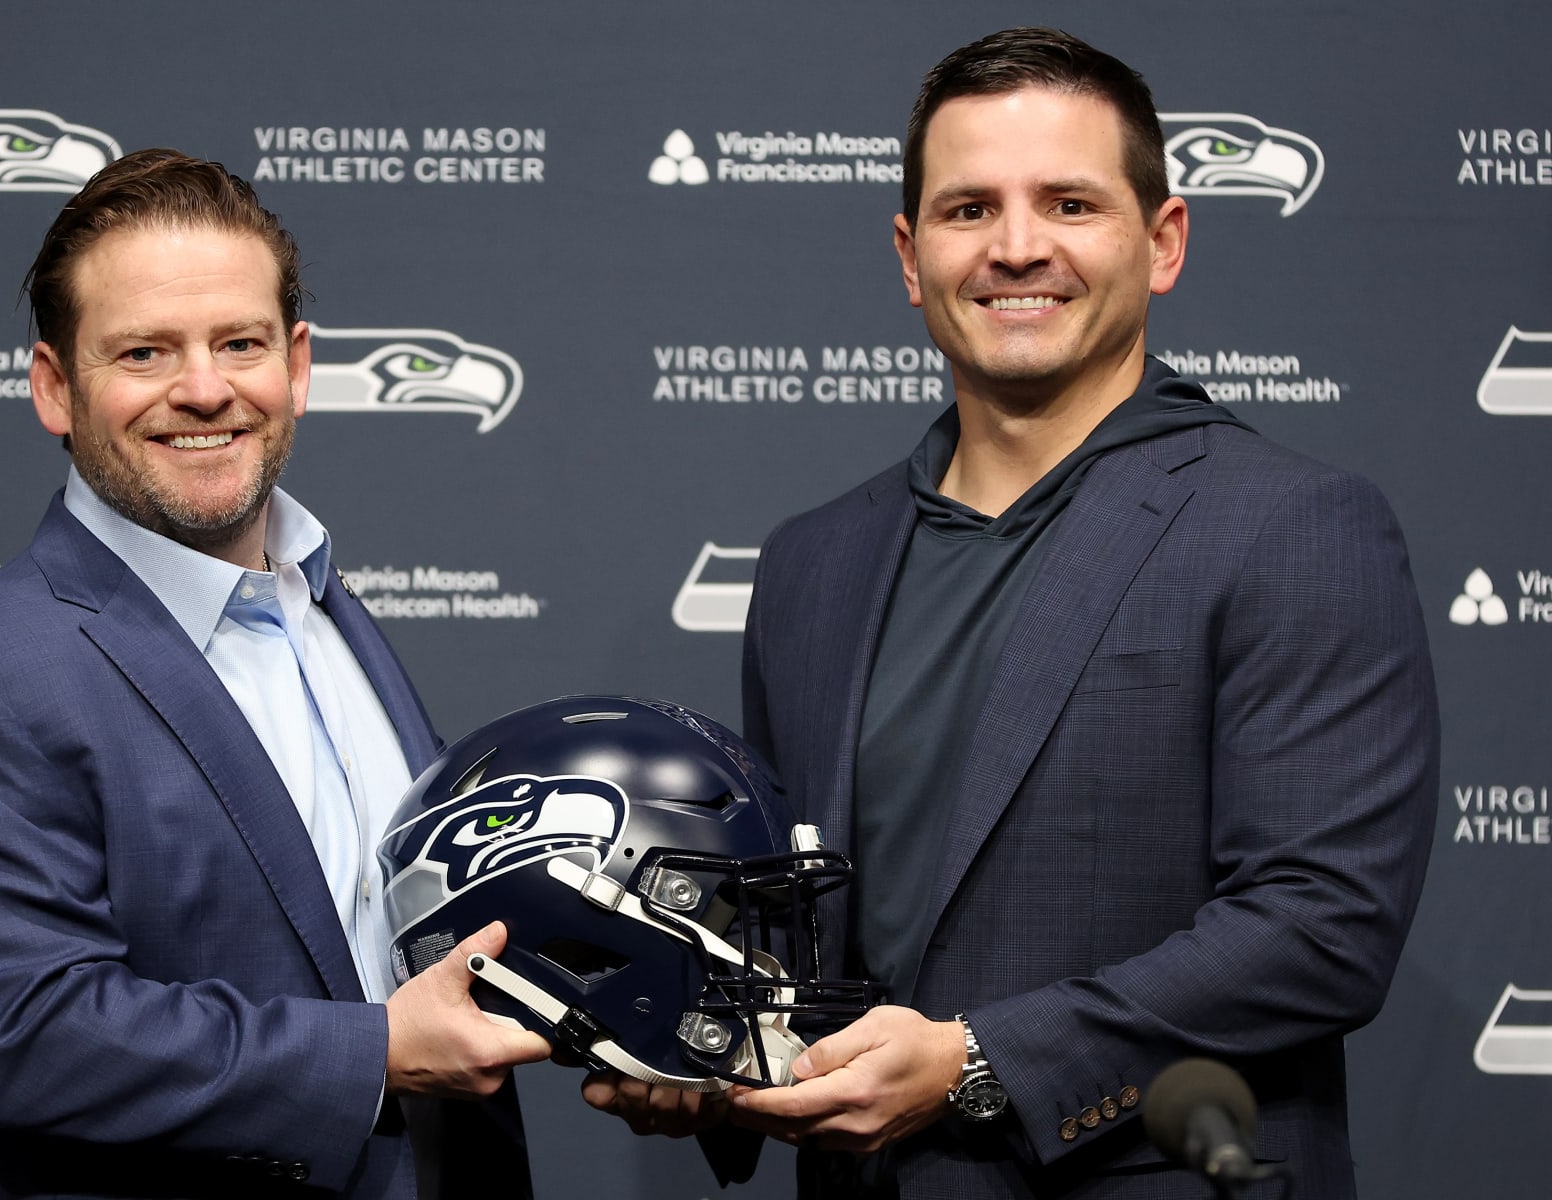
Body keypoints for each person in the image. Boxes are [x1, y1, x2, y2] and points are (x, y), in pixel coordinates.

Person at [587, 27, 1438, 1198]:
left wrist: (976, 1062)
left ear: (1166, 240)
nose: (1017, 248)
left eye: (1071, 204)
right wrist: (709, 1056)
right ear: (909, 252)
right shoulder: (812, 563)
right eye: (969, 209)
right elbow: (795, 935)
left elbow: (1322, 928)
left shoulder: (1294, 528)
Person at [0, 149, 550, 1200]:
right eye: (143, 352)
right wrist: (373, 1052)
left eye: (240, 342)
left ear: (300, 365)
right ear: (56, 388)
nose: (203, 388)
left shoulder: (331, 617)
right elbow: (26, 1033)